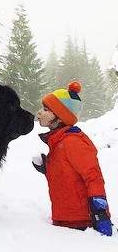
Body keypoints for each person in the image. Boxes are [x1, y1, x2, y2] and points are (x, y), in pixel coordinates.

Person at [33, 81, 113, 236]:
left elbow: (93, 175)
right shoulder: (59, 141)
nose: (39, 113)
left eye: (46, 110)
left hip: (83, 224)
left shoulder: (72, 141)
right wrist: (47, 169)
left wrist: (100, 211)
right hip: (66, 221)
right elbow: (68, 176)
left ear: (60, 116)